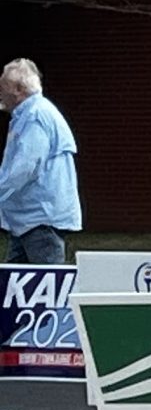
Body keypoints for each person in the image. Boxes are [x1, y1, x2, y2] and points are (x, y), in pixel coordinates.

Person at [0, 59, 82, 265]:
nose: (0, 93)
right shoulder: (31, 114)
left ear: (18, 89)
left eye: (3, 87)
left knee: (45, 287)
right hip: (29, 221)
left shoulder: (35, 116)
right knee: (15, 288)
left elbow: (24, 167)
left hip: (39, 220)